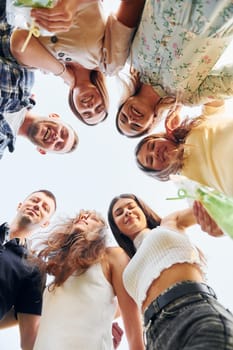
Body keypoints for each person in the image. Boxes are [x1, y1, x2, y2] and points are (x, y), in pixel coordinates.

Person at [107, 193, 233, 349]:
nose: (127, 212)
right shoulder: (124, 266)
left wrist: (218, 219)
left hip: (192, 310)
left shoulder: (168, 223)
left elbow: (209, 206)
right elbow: (124, 319)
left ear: (143, 211)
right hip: (154, 335)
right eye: (119, 213)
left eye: (131, 207)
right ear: (116, 227)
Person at [10, 0, 146, 126]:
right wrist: (71, 5)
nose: (91, 106)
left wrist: (64, 73)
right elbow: (131, 3)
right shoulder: (109, 63)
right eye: (99, 107)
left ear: (74, 105)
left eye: (86, 113)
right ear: (104, 96)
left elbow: (18, 42)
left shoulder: (46, 67)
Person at [116, 0, 233, 137]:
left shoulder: (129, 57)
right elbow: (227, 83)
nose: (131, 119)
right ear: (152, 122)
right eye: (136, 126)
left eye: (123, 117)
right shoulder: (187, 97)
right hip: (214, 13)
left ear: (124, 102)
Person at [33, 210, 144, 350]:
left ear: (101, 231)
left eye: (93, 219)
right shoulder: (55, 279)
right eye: (80, 215)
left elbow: (133, 324)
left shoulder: (111, 256)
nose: (84, 217)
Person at [0, 2, 78, 158]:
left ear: (42, 151)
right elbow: (13, 37)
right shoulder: (26, 80)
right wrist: (66, 75)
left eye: (58, 145)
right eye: (63, 133)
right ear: (55, 116)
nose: (57, 137)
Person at [135, 100, 233, 197]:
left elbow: (214, 98)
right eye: (150, 160)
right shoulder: (187, 183)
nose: (154, 153)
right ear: (158, 171)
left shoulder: (195, 127)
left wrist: (178, 105)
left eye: (152, 146)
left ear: (162, 137)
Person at [0, 190, 57, 350]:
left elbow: (30, 341)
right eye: (34, 200)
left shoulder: (34, 269)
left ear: (46, 223)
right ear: (20, 205)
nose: (38, 206)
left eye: (45, 207)